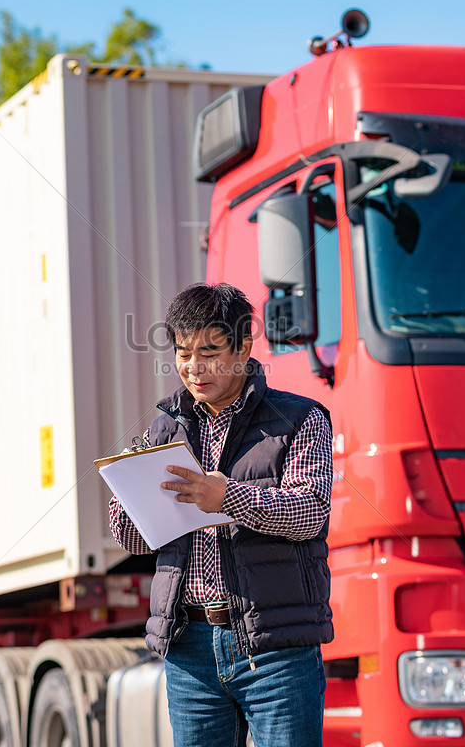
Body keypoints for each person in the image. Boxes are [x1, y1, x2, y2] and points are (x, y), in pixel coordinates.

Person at [109, 282, 334, 747]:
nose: (195, 367)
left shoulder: (301, 418)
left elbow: (309, 511)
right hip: (188, 647)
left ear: (244, 347)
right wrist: (127, 496)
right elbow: (132, 540)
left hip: (274, 646)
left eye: (210, 351)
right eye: (185, 353)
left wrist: (227, 497)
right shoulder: (164, 428)